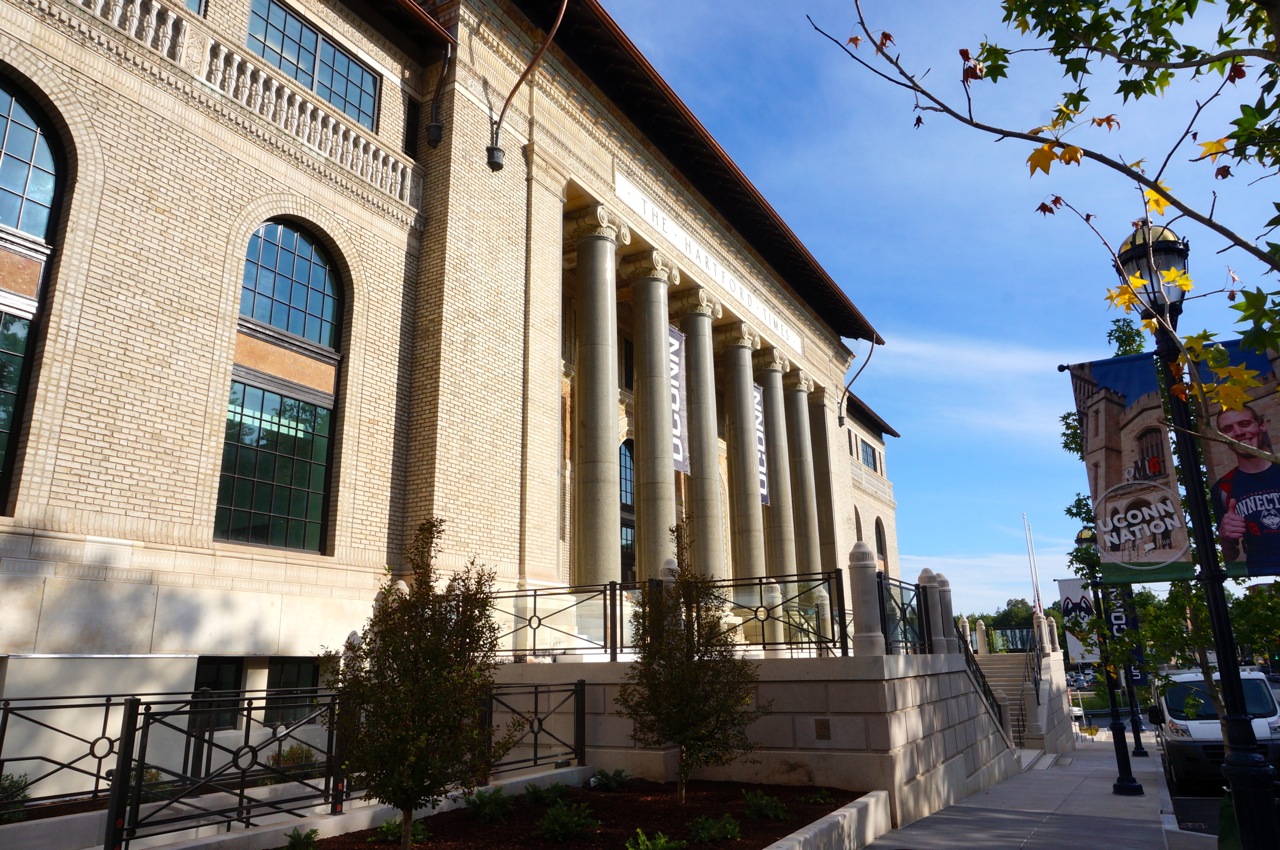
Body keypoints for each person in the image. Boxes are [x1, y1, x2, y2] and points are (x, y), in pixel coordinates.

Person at [1210, 405, 1280, 575]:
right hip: (1267, 582)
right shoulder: (1222, 488)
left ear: (1261, 425)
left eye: (1244, 423)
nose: (1238, 432)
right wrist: (1225, 538)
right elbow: (1230, 556)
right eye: (1228, 429)